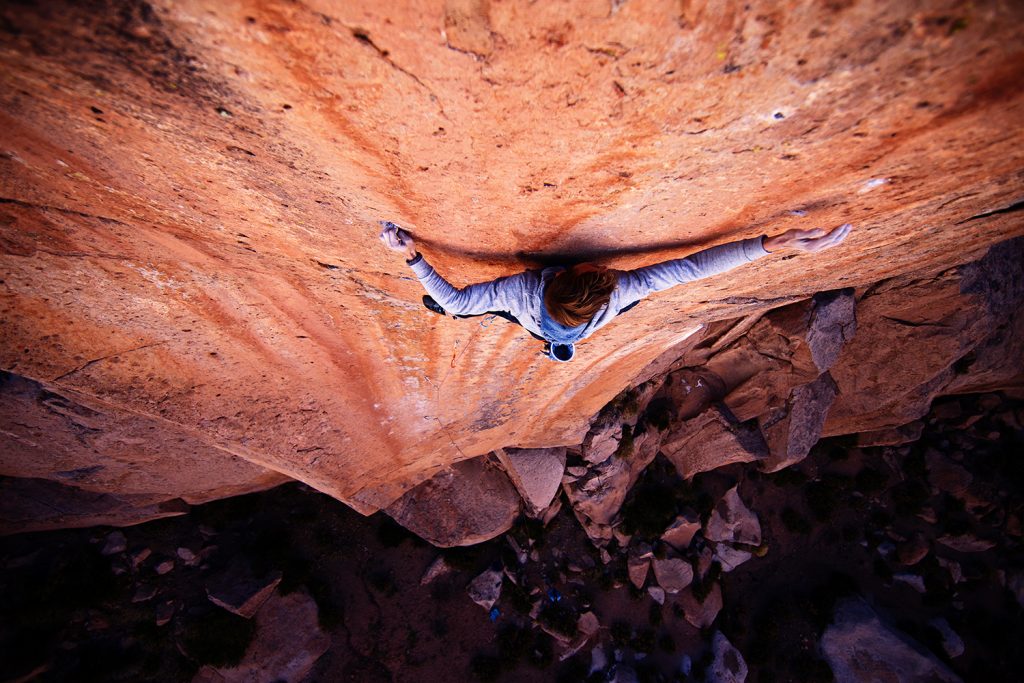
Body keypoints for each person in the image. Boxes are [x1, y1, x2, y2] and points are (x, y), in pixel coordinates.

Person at [379, 221, 851, 361]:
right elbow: (689, 269)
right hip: (578, 325)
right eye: (599, 268)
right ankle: (557, 347)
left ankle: (556, 345)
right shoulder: (619, 292)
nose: (604, 264)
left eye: (599, 269)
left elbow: (460, 298)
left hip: (543, 319)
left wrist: (413, 256)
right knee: (541, 331)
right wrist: (766, 247)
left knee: (467, 309)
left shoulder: (520, 291)